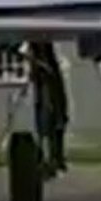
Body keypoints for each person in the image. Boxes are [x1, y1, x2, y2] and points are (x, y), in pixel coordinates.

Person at [30, 42, 69, 175]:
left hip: (52, 100)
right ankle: (49, 160)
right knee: (47, 127)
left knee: (54, 127)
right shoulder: (42, 65)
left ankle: (54, 159)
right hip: (47, 98)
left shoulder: (51, 68)